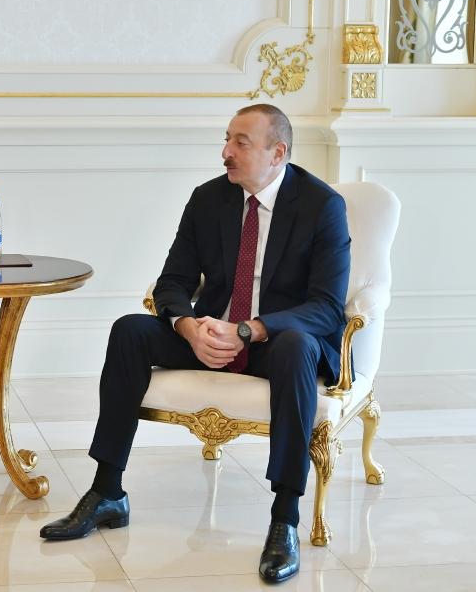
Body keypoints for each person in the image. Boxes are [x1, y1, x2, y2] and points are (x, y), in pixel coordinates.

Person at [39, 104, 351, 585]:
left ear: (278, 153)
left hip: (275, 342)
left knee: (297, 348)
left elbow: (327, 307)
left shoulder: (321, 206)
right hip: (210, 334)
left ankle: (284, 519)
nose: (226, 152)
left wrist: (249, 329)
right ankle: (107, 493)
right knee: (129, 331)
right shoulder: (208, 199)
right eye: (227, 139)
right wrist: (188, 327)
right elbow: (172, 282)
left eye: (241, 142)